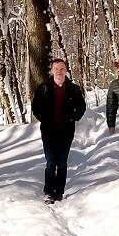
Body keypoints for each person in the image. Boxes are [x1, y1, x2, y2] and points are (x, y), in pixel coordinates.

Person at [32, 59, 86, 203]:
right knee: (51, 162)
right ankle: (49, 191)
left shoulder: (74, 89)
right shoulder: (43, 87)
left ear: (66, 70)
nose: (59, 71)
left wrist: (73, 118)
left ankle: (59, 191)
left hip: (66, 131)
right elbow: (35, 106)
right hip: (49, 131)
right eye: (56, 68)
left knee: (62, 162)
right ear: (52, 70)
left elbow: (81, 107)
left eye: (62, 68)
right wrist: (44, 118)